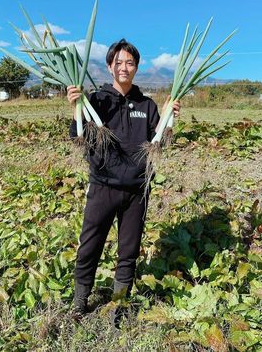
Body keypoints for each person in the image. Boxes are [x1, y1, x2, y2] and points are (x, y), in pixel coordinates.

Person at [67, 39, 180, 322]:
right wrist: (76, 107)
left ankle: (119, 304)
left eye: (129, 63)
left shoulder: (147, 104)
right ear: (109, 66)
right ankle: (80, 301)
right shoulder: (96, 100)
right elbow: (76, 135)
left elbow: (159, 142)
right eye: (118, 62)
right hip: (103, 185)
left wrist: (170, 117)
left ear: (136, 67)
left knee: (128, 250)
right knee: (90, 244)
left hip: (137, 189)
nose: (124, 67)